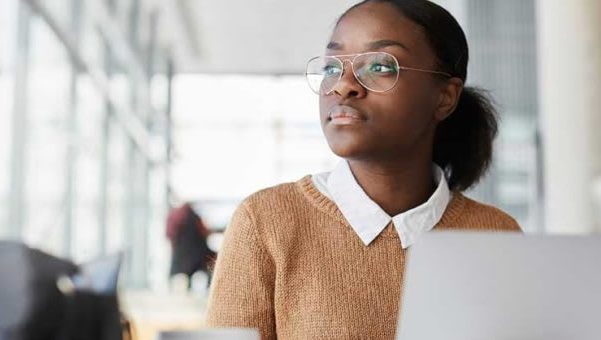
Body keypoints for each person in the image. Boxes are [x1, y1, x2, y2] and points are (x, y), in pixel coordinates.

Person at [206, 0, 522, 339]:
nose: (343, 85)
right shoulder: (265, 222)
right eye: (331, 68)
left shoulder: (496, 234)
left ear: (444, 97)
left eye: (380, 66)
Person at [165, 203, 215, 287]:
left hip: (181, 259)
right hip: (196, 257)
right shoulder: (194, 218)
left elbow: (168, 235)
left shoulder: (176, 217)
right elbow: (205, 233)